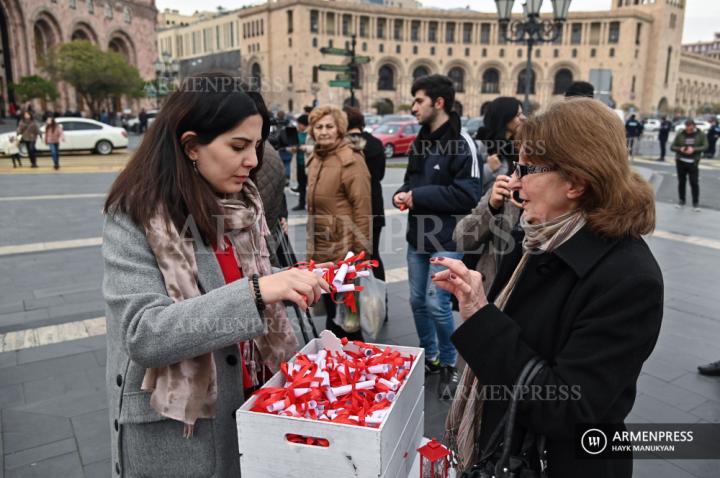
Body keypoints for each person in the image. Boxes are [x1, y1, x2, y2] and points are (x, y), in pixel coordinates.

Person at [102, 73, 329, 477]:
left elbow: (238, 279)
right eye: (238, 146)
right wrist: (259, 289)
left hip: (254, 403)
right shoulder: (134, 215)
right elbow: (143, 332)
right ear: (191, 146)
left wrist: (295, 278)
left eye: (257, 146)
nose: (254, 161)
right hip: (181, 431)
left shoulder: (242, 205)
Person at [436, 98, 663, 477]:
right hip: (505, 445)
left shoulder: (630, 278)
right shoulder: (537, 237)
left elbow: (564, 407)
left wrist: (480, 315)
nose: (516, 181)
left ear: (575, 181)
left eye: (527, 169)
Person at [393, 74, 481, 398]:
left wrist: (418, 197)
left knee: (437, 302)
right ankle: (428, 356)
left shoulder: (463, 142)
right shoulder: (420, 141)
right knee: (417, 300)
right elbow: (409, 181)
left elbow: (469, 194)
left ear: (438, 103)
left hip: (447, 237)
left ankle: (448, 362)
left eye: (419, 101)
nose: (414, 107)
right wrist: (400, 195)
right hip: (417, 236)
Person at [305, 105, 371, 340]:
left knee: (348, 321)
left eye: (329, 126)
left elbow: (363, 210)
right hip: (321, 248)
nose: (323, 131)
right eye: (319, 126)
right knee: (334, 313)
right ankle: (336, 363)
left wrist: (358, 256)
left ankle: (356, 366)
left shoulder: (350, 160)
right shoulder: (315, 158)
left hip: (344, 252)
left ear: (339, 129)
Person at [344, 107, 387, 286]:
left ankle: (350, 301)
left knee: (347, 257)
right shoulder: (376, 143)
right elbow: (381, 174)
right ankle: (379, 302)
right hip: (374, 206)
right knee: (373, 255)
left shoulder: (343, 146)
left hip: (350, 207)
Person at [671, 119, 707, 211]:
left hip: (693, 162)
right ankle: (681, 201)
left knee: (694, 183)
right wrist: (680, 148)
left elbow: (705, 146)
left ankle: (695, 203)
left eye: (689, 126)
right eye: (686, 126)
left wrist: (694, 149)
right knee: (681, 182)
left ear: (693, 126)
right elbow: (672, 147)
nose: (687, 128)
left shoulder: (700, 134)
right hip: (681, 161)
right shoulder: (681, 134)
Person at [290, 114, 310, 211]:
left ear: (304, 124)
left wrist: (305, 148)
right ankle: (301, 204)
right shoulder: (295, 133)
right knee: (301, 185)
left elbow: (316, 147)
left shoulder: (311, 134)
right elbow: (290, 147)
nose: (298, 125)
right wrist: (292, 148)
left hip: (309, 164)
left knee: (311, 186)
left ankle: (311, 204)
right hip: (298, 163)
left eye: (300, 124)